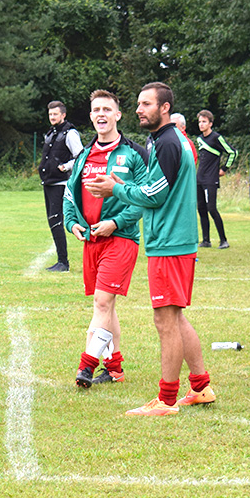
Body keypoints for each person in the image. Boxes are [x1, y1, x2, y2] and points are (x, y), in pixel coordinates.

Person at [86, 82, 214, 416]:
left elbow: (155, 194)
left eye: (146, 104)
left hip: (170, 243)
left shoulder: (169, 142)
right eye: (139, 103)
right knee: (175, 316)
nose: (140, 109)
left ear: (165, 108)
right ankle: (201, 387)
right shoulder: (165, 140)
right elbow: (154, 188)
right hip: (173, 240)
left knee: (165, 320)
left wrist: (117, 188)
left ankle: (167, 400)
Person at [63, 90, 148, 388]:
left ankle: (86, 366)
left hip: (121, 239)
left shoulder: (134, 154)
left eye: (107, 109)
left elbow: (142, 198)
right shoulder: (84, 154)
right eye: (96, 109)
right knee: (107, 306)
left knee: (101, 302)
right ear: (90, 116)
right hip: (91, 241)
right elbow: (69, 194)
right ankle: (115, 369)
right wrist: (71, 221)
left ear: (117, 115)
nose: (101, 114)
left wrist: (115, 222)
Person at [38, 100, 83, 272]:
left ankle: (63, 262)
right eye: (50, 114)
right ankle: (61, 260)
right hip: (49, 182)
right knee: (52, 220)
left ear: (63, 115)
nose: (52, 117)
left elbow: (80, 156)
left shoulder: (70, 134)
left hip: (61, 183)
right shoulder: (50, 134)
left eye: (55, 114)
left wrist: (66, 167)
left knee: (56, 220)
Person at [195, 110, 236, 249]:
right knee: (201, 209)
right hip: (199, 179)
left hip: (211, 179)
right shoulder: (199, 139)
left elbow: (232, 152)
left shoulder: (216, 138)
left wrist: (224, 168)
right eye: (200, 122)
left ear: (210, 123)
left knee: (211, 208)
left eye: (204, 121)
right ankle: (206, 240)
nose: (201, 124)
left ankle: (223, 240)